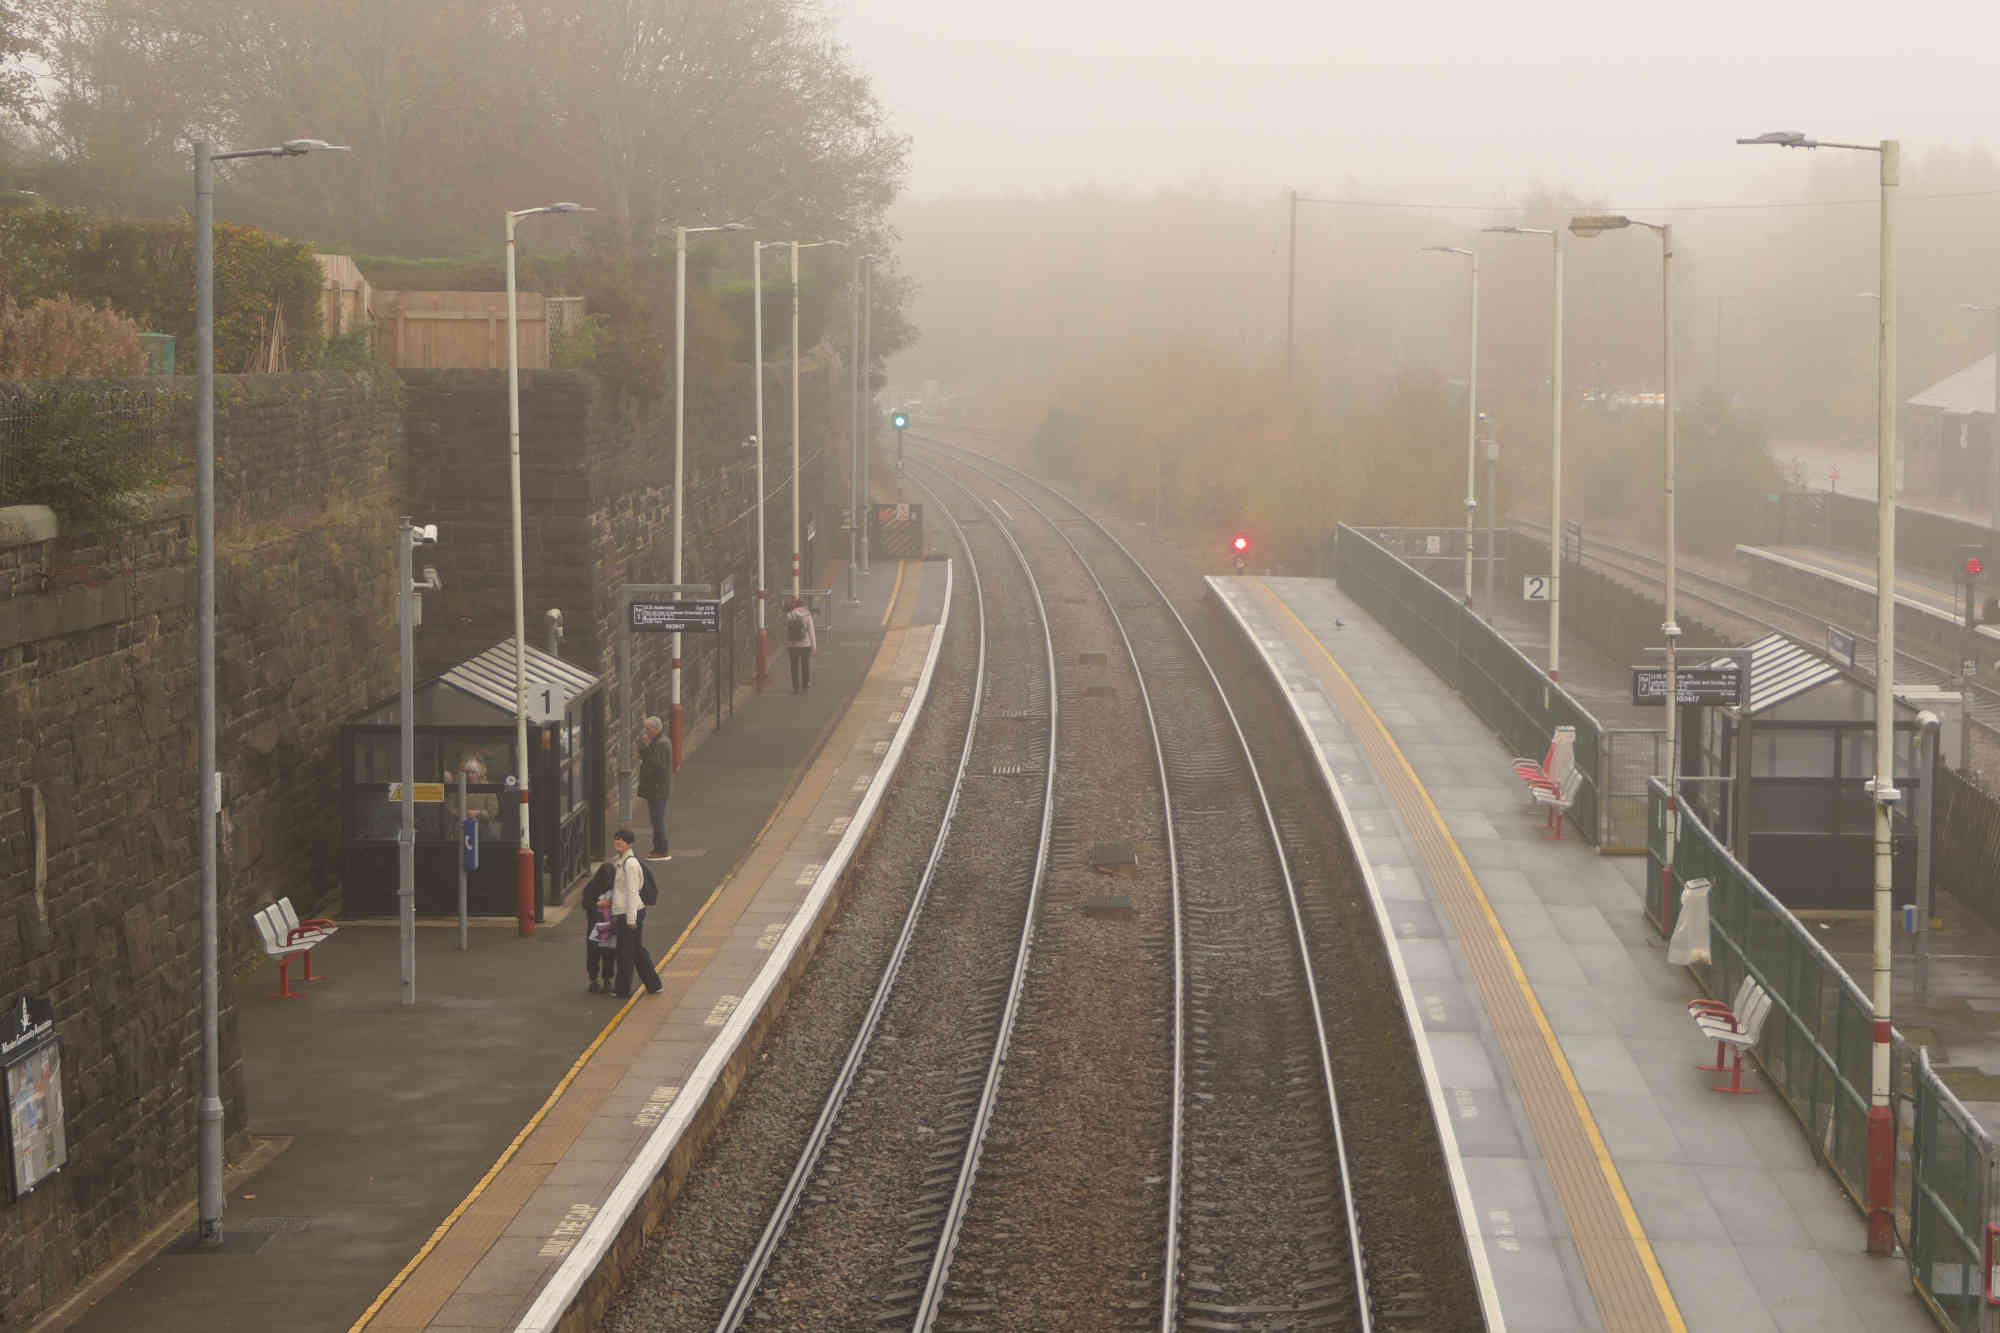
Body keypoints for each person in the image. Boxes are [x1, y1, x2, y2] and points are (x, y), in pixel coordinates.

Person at [610, 830, 662, 998]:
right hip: (625, 912)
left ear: (629, 844)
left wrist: (631, 919)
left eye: (622, 840)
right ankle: (654, 984)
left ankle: (622, 990)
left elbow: (632, 892)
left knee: (626, 952)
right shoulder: (620, 862)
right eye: (616, 839)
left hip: (630, 913)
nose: (618, 842)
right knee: (636, 950)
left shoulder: (630, 865)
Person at [636, 715, 671, 860]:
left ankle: (661, 850)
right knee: (656, 819)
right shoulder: (657, 742)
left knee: (658, 819)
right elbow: (648, 757)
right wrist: (643, 744)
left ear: (656, 729)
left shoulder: (660, 744)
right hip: (656, 788)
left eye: (648, 728)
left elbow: (654, 764)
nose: (645, 731)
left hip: (657, 789)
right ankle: (659, 848)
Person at [583, 867, 617, 994]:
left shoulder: (615, 887)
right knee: (596, 954)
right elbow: (586, 903)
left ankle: (602, 980)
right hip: (596, 927)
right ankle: (597, 980)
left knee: (607, 953)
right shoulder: (592, 887)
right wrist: (598, 904)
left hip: (608, 926)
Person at [785, 597, 817, 694]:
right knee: (805, 665)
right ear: (804, 605)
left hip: (792, 645)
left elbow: (786, 631)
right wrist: (813, 646)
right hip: (805, 644)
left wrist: (787, 643)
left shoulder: (789, 615)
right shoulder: (807, 615)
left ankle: (796, 687)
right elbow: (811, 632)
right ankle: (805, 685)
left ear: (795, 605)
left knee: (794, 666)